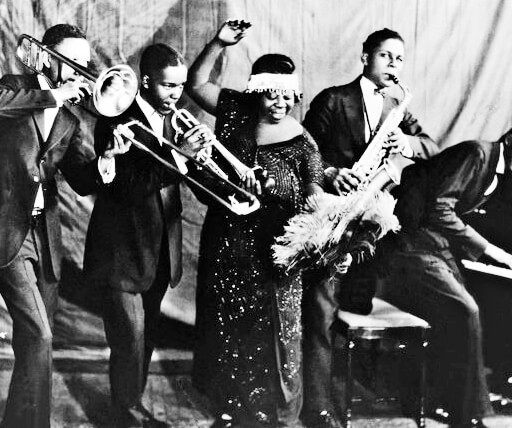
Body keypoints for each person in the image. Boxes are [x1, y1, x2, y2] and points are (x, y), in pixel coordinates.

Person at [185, 21, 324, 428]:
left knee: (273, 333)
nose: (280, 103)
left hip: (274, 250)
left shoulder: (304, 141)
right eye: (270, 94)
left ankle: (272, 416)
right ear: (255, 92)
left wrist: (313, 206)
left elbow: (315, 191)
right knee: (227, 326)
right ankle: (230, 409)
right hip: (228, 242)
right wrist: (218, 43)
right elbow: (196, 84)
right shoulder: (234, 109)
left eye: (287, 95)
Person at [300, 28, 440, 428]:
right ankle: (318, 408)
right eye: (385, 56)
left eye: (400, 59)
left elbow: (431, 145)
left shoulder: (397, 106)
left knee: (353, 308)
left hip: (368, 223)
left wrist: (405, 143)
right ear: (365, 58)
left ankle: (352, 390)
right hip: (331, 213)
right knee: (321, 311)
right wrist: (331, 172)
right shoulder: (333, 99)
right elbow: (304, 150)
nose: (394, 65)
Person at [377, 120, 512, 428]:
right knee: (466, 310)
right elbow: (440, 209)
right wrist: (490, 250)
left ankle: (446, 400)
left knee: (469, 310)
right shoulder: (477, 155)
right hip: (412, 247)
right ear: (511, 139)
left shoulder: (493, 167)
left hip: (435, 247)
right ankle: (466, 415)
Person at [83, 43, 212, 428]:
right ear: (145, 82)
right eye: (168, 86)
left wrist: (205, 161)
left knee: (146, 337)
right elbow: (126, 187)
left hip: (160, 250)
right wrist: (181, 157)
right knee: (130, 338)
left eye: (181, 86)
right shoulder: (115, 118)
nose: (177, 94)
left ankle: (130, 407)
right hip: (121, 250)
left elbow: (190, 181)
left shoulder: (177, 120)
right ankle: (127, 415)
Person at [0, 23, 115, 428]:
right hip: (7, 231)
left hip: (45, 236)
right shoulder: (14, 86)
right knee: (41, 336)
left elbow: (82, 180)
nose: (80, 69)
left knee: (34, 341)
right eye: (71, 60)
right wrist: (55, 94)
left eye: (84, 62)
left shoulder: (69, 119)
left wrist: (106, 161)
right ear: (47, 56)